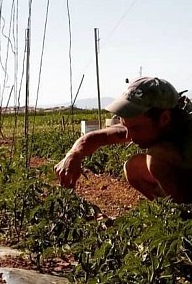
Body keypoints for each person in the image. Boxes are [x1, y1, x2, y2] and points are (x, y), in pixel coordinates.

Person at [54, 76, 192, 204]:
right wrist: (73, 155)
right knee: (134, 167)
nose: (129, 135)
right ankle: (171, 214)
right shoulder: (150, 125)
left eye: (136, 128)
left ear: (165, 118)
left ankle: (184, 216)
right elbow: (98, 137)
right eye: (127, 127)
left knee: (157, 156)